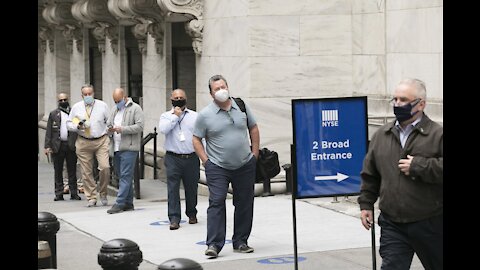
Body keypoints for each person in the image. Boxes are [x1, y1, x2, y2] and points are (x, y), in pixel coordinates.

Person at [358, 78, 443, 270]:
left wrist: (420, 166)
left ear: (421, 104)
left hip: (430, 222)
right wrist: (366, 204)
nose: (397, 104)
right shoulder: (382, 135)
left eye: (403, 100)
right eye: (395, 99)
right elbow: (370, 174)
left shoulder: (437, 134)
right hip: (392, 223)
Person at [193, 75, 260, 258]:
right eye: (217, 89)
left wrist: (255, 153)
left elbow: (253, 128)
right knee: (217, 201)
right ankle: (214, 244)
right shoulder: (205, 115)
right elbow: (196, 139)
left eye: (223, 86)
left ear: (228, 87)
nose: (221, 90)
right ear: (211, 93)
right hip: (217, 166)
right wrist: (206, 161)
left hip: (245, 164)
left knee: (245, 202)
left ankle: (241, 241)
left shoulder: (241, 106)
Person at [159, 89, 200, 230]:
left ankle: (192, 213)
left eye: (181, 97)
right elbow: (163, 129)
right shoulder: (166, 116)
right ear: (171, 99)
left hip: (191, 157)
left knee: (191, 187)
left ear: (186, 99)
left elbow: (201, 136)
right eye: (176, 97)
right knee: (172, 189)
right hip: (173, 158)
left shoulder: (195, 116)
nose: (178, 99)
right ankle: (174, 218)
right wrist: (175, 117)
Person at [67, 84, 111, 207]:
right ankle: (91, 196)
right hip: (83, 140)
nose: (88, 96)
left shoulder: (103, 106)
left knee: (105, 167)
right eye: (85, 94)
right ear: (82, 95)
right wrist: (77, 126)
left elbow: (109, 121)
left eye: (89, 94)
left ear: (94, 93)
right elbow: (69, 124)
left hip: (101, 140)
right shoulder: (76, 107)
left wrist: (109, 130)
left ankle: (103, 192)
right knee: (86, 171)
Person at [106, 88, 144, 214]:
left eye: (119, 100)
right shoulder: (114, 110)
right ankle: (128, 202)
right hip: (116, 147)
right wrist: (110, 129)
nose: (117, 103)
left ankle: (119, 202)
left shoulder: (135, 108)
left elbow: (139, 126)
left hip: (129, 147)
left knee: (126, 175)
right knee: (120, 175)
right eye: (115, 101)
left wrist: (122, 129)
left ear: (125, 97)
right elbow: (108, 124)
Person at [44, 93, 81, 201]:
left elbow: (77, 127)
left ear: (68, 100)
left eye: (65, 99)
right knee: (58, 171)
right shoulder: (54, 114)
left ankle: (74, 192)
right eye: (61, 100)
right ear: (58, 101)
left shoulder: (72, 113)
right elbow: (49, 131)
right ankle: (59, 193)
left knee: (72, 170)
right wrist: (47, 146)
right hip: (57, 145)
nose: (63, 102)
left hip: (70, 145)